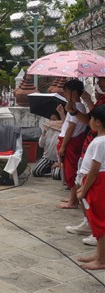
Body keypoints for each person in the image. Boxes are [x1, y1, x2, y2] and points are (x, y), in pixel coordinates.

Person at [66, 76, 105, 245]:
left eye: (102, 80)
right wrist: (75, 111)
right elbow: (90, 121)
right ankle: (89, 223)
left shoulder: (101, 142)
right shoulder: (100, 101)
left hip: (97, 154)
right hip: (89, 146)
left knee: (91, 196)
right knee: (82, 187)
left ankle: (97, 231)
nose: (98, 83)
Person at [75, 104, 105, 270]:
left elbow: (94, 170)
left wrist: (83, 190)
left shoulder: (99, 142)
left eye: (91, 118)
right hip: (97, 180)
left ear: (98, 122)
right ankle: (100, 254)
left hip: (98, 182)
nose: (90, 121)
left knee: (99, 220)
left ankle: (101, 260)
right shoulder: (100, 140)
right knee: (98, 220)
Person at [57, 79, 87, 210]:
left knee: (71, 171)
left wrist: (63, 146)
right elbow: (68, 124)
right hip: (71, 141)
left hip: (71, 142)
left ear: (74, 93)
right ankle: (72, 197)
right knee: (69, 170)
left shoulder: (77, 107)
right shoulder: (75, 106)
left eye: (66, 92)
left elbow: (70, 128)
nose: (64, 94)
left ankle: (73, 201)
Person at [32, 112, 62, 177]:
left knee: (56, 175)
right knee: (36, 172)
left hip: (58, 160)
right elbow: (41, 145)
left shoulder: (62, 131)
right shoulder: (47, 130)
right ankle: (49, 169)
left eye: (54, 120)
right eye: (51, 119)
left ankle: (55, 169)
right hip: (47, 158)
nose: (52, 122)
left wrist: (59, 163)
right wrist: (44, 133)